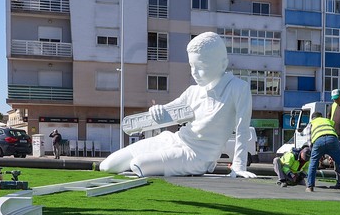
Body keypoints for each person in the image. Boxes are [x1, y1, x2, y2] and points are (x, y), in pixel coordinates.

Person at [98, 32, 255, 178]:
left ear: (223, 64)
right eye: (192, 66)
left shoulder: (238, 88)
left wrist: (239, 166)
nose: (194, 72)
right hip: (174, 140)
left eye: (201, 68)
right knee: (107, 165)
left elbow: (242, 129)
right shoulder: (193, 91)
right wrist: (157, 110)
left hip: (196, 156)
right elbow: (169, 110)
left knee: (138, 165)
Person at [304, 111, 340, 196]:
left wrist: (316, 152)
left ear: (312, 118)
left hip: (318, 140)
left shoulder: (311, 123)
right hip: (333, 139)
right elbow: (334, 130)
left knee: (313, 164)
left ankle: (310, 186)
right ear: (321, 116)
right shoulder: (327, 121)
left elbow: (309, 140)